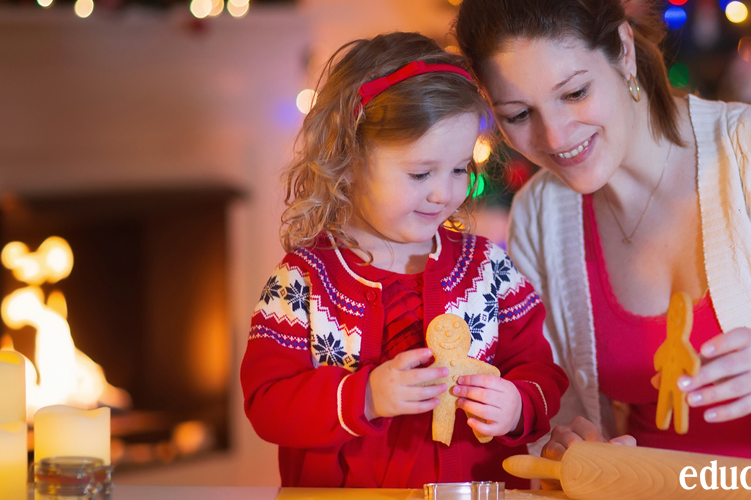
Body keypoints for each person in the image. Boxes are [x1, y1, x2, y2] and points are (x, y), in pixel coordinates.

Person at [454, 0, 751, 475]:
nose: (556, 135)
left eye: (575, 92)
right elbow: (560, 408)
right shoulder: (540, 213)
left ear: (623, 50)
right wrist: (568, 443)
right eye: (519, 115)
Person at [240, 32, 569, 488]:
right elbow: (267, 403)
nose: (444, 192)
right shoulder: (304, 281)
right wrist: (367, 397)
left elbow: (540, 371)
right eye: (420, 173)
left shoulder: (488, 270)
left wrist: (517, 404)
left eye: (458, 169)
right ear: (350, 160)